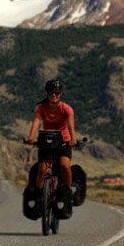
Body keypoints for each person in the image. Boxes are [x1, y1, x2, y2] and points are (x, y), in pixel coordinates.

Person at [26, 78, 77, 208]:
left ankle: (66, 191)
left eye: (56, 93)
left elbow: (71, 126)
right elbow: (36, 122)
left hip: (63, 142)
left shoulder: (67, 109)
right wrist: (31, 137)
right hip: (46, 142)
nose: (53, 95)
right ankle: (38, 195)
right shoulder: (41, 108)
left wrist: (73, 139)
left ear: (61, 94)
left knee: (64, 166)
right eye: (51, 93)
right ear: (47, 94)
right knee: (42, 170)